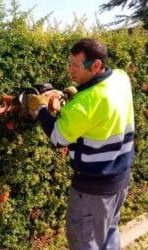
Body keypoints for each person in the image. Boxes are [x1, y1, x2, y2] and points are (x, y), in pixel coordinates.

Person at [28, 38, 134, 249]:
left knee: (85, 241)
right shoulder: (120, 78)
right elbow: (97, 102)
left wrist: (40, 108)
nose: (70, 70)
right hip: (119, 181)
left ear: (95, 65)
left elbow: (58, 137)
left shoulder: (86, 103)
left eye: (76, 66)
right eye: (70, 63)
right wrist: (72, 93)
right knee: (108, 235)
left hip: (93, 190)